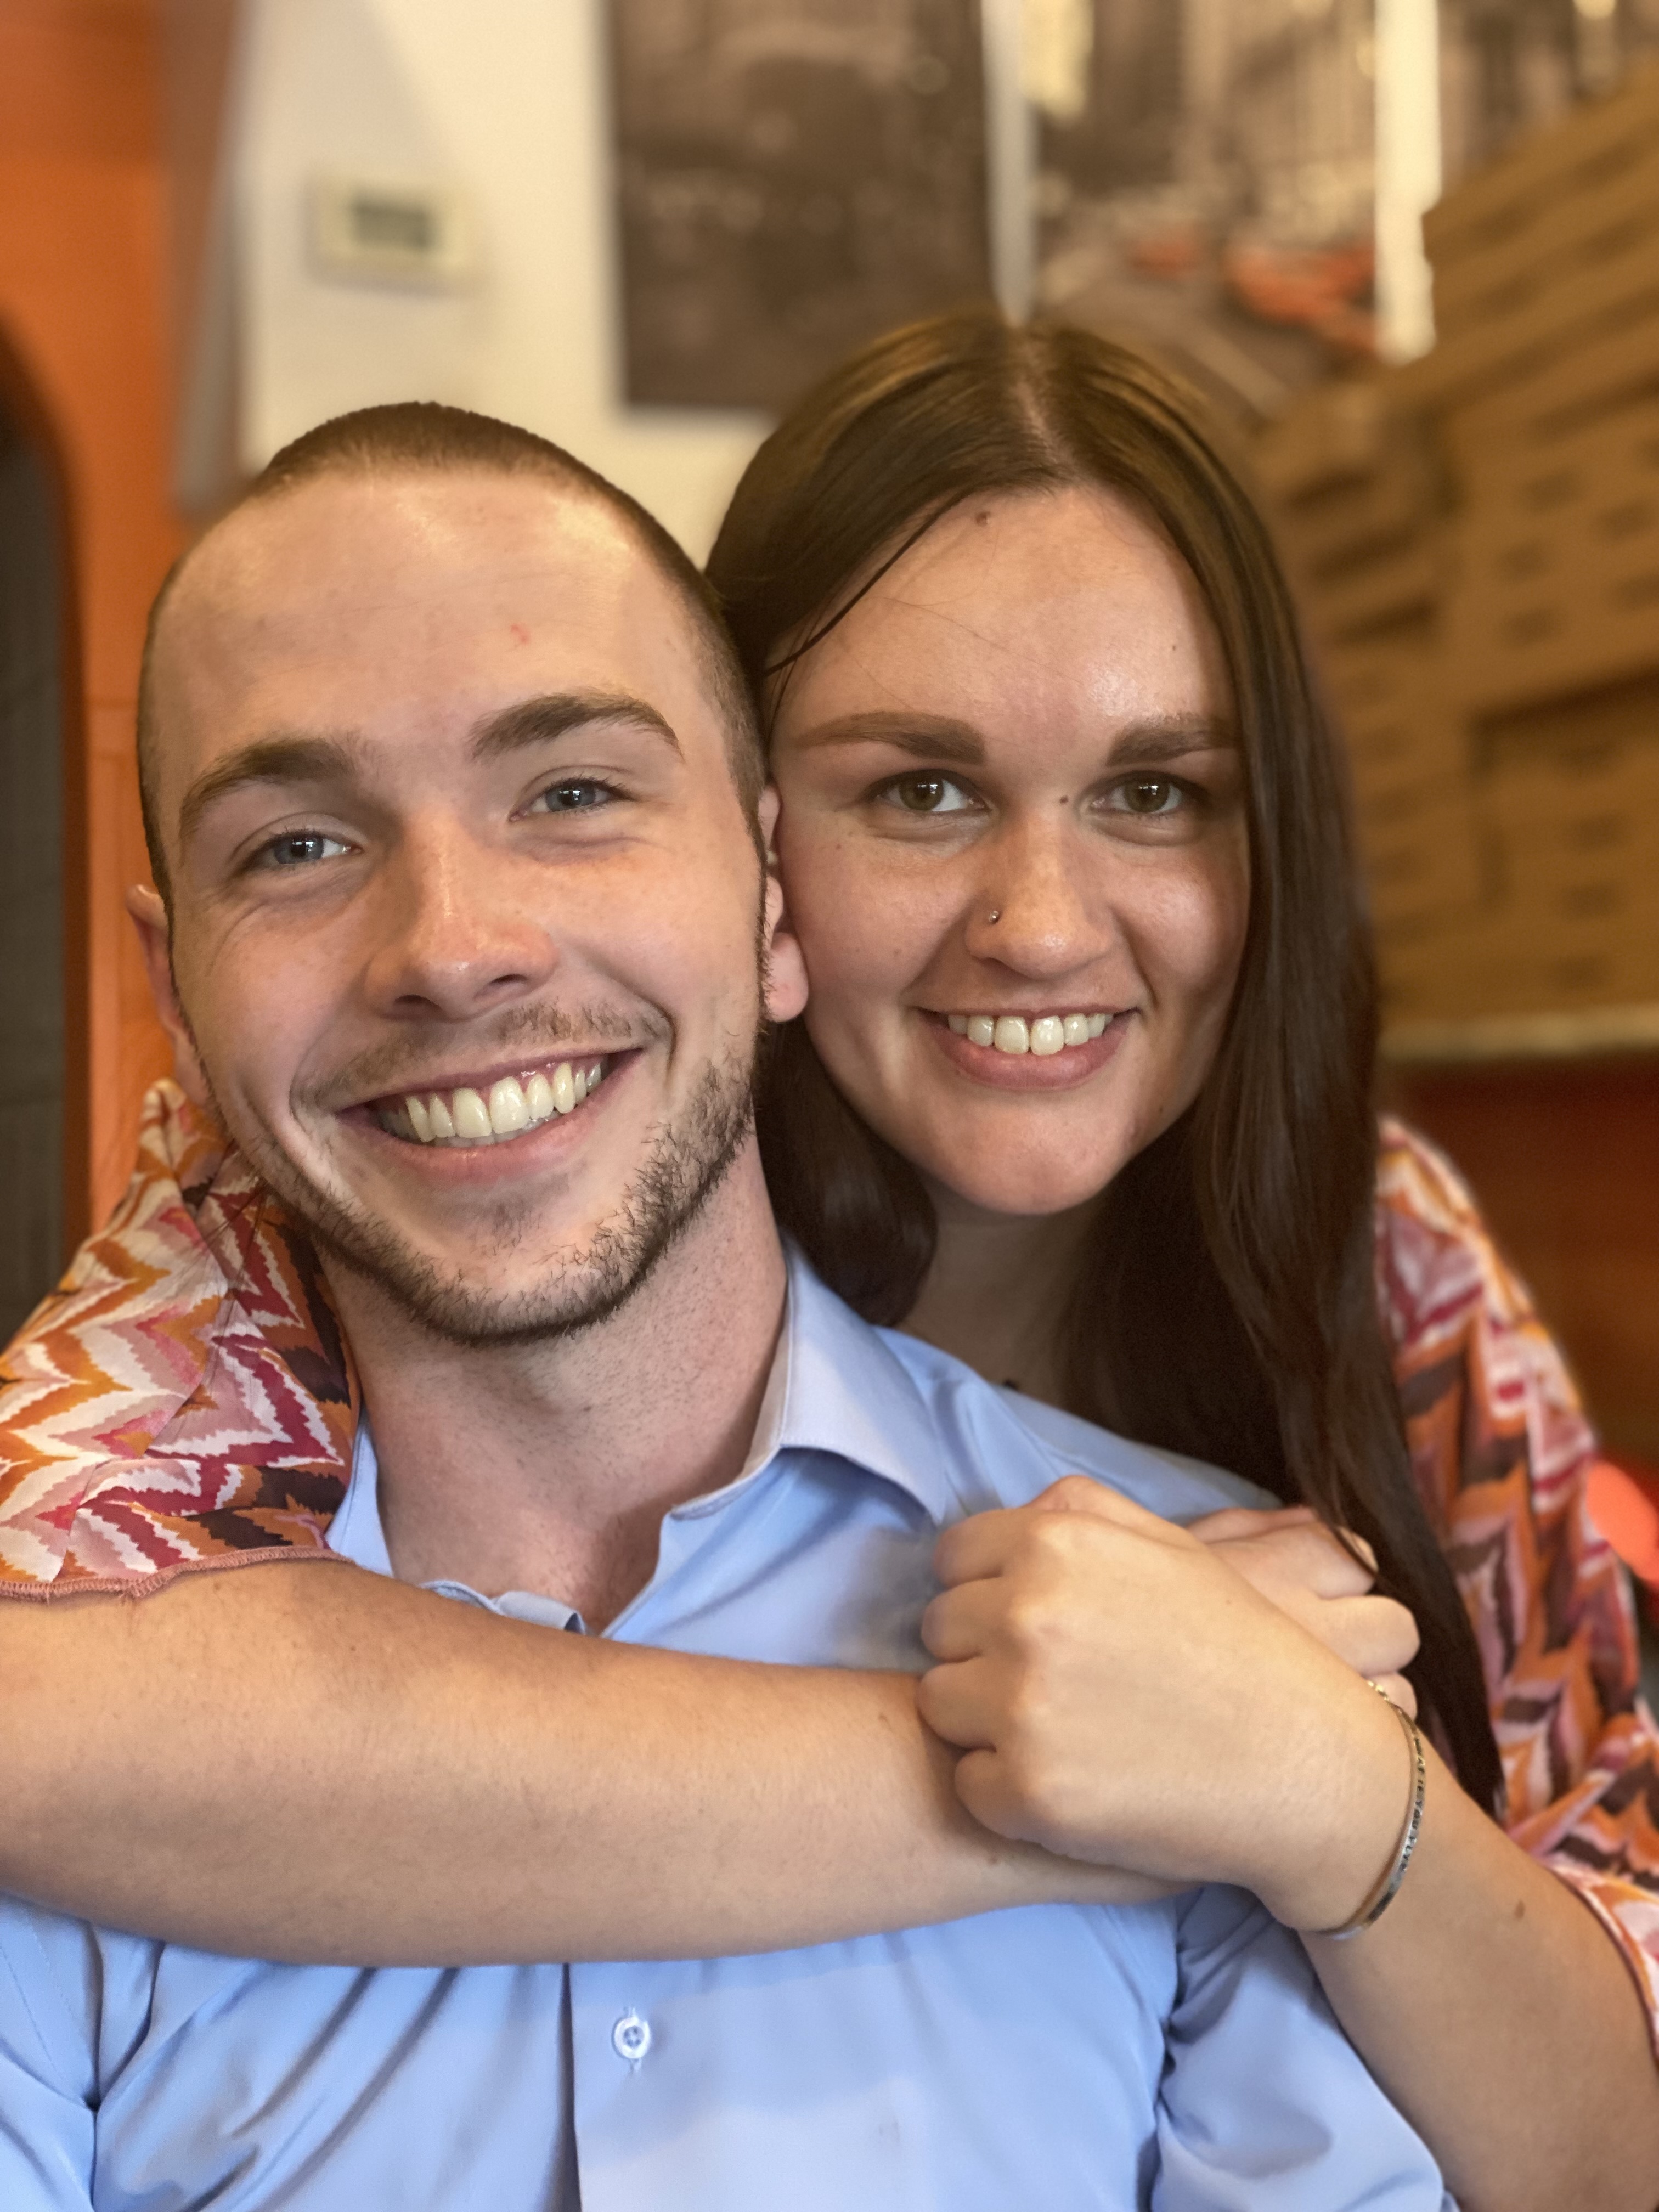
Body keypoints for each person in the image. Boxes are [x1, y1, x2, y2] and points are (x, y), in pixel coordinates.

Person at [2, 319, 1657, 2210]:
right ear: (778, 853)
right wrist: (1062, 1782)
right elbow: (36, 1712)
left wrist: (1321, 1787)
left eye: (1156, 793)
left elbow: (1611, 2081)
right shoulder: (278, 1216)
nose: (1040, 925)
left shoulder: (1399, 1283)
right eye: (923, 791)